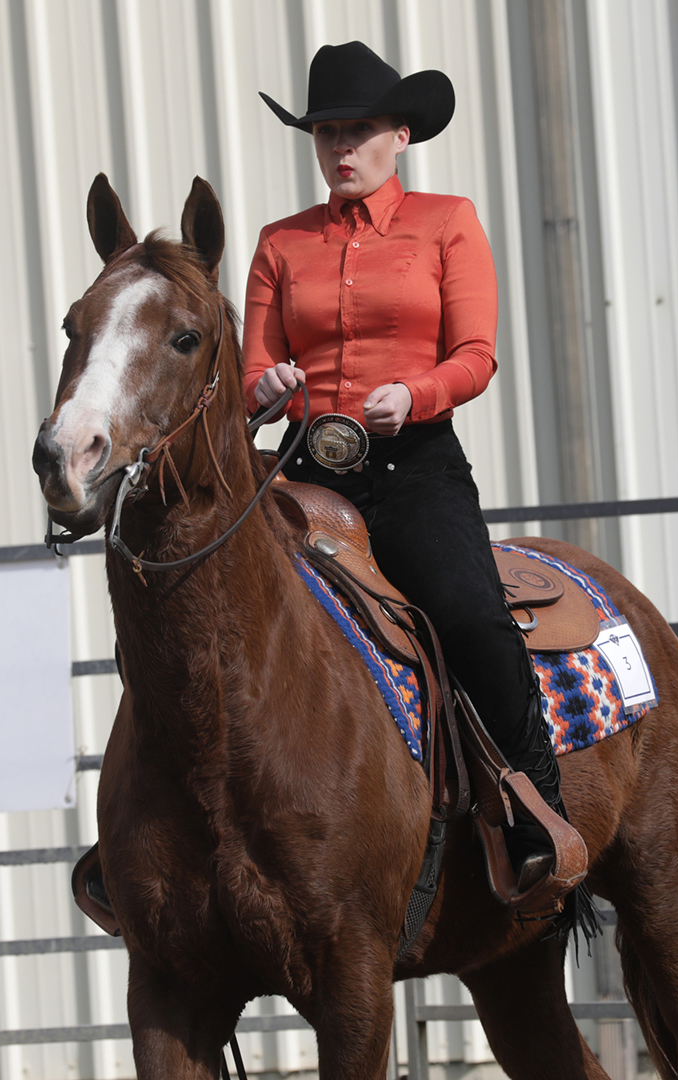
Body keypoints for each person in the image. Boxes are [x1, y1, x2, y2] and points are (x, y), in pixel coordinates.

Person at [243, 42, 584, 910]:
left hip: (414, 466)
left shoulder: (447, 222)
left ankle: (535, 805)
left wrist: (417, 391)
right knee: (208, 608)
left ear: (400, 134)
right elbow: (253, 369)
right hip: (301, 474)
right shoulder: (280, 244)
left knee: (467, 610)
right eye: (325, 134)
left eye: (356, 131)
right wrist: (270, 385)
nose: (339, 148)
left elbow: (477, 355)